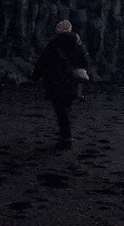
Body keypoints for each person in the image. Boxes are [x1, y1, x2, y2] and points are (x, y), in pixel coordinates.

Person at [30, 20, 90, 150]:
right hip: (73, 81)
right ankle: (66, 137)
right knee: (66, 108)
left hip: (56, 81)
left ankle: (66, 138)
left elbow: (43, 62)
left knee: (60, 110)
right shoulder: (79, 44)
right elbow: (85, 63)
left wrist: (34, 77)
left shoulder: (53, 44)